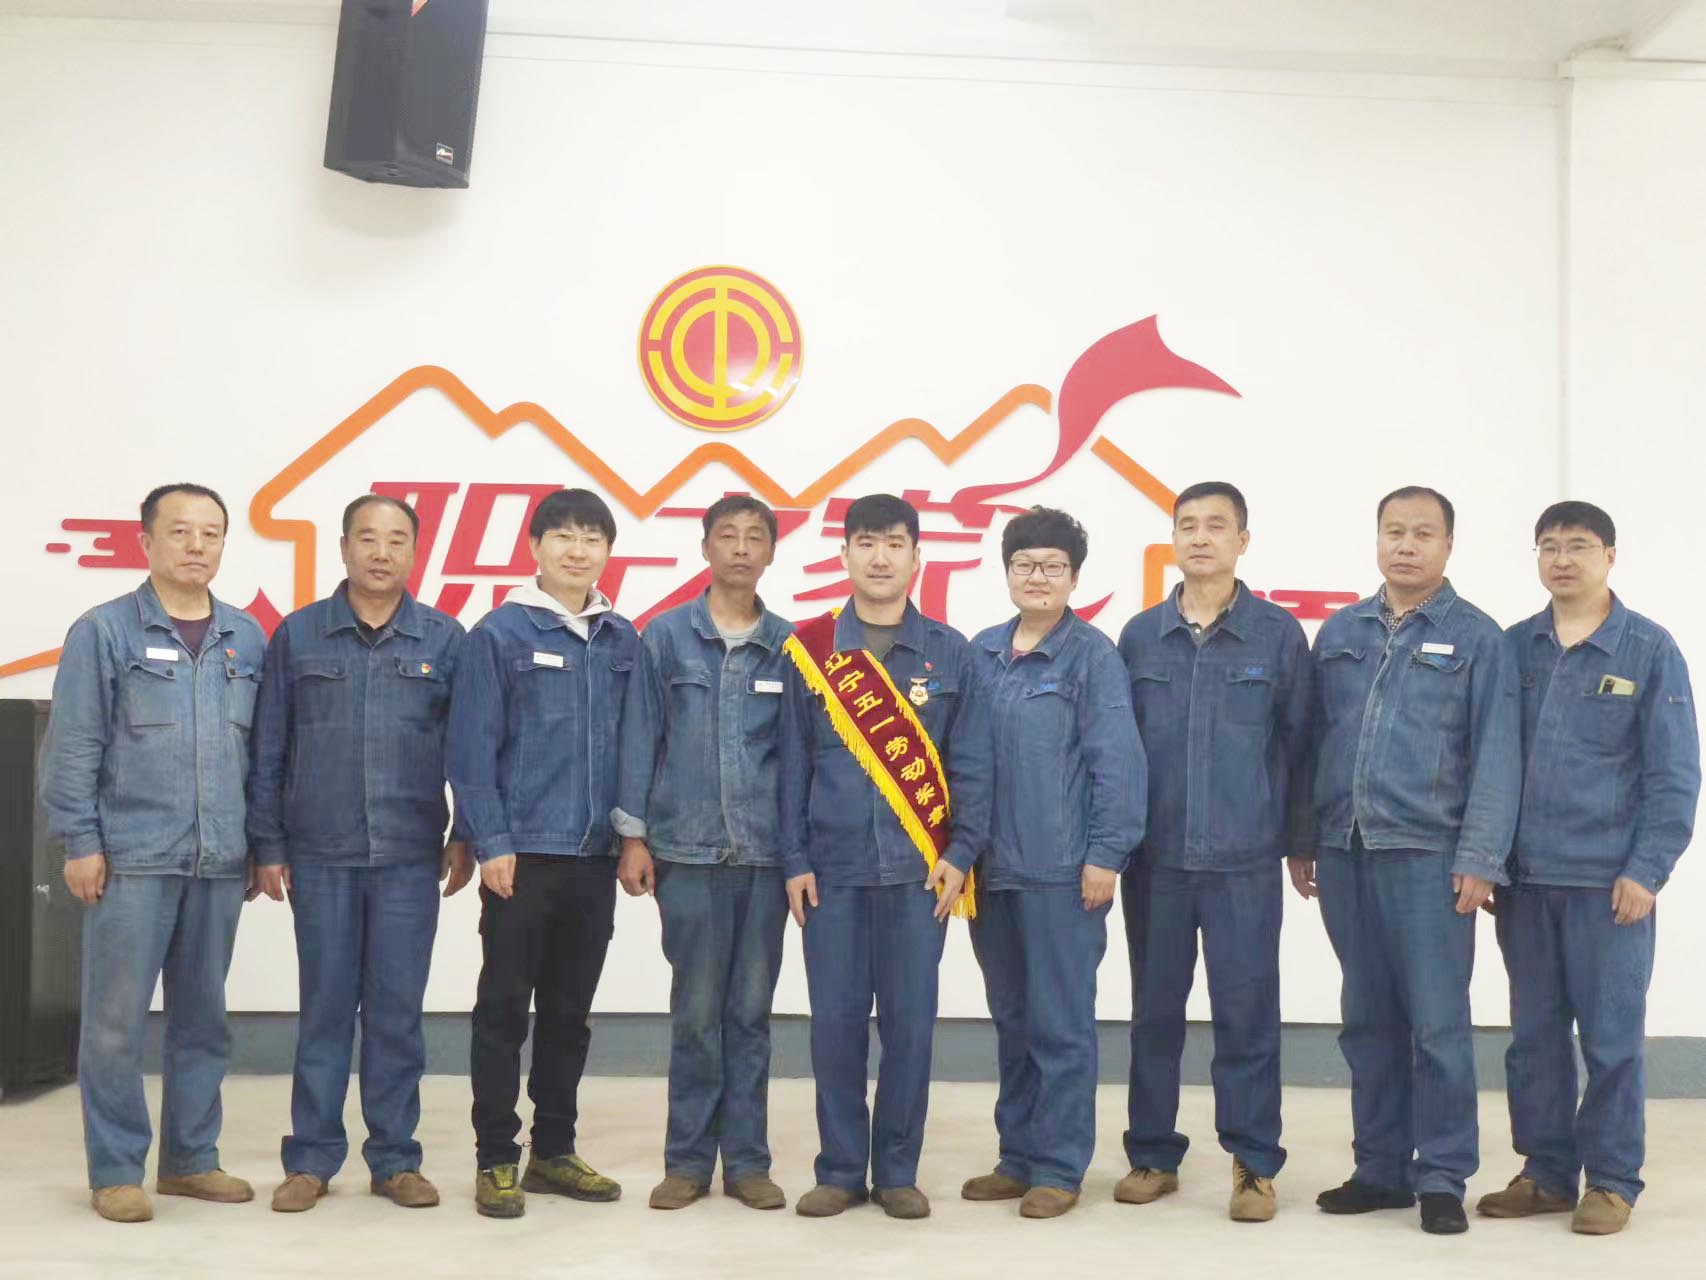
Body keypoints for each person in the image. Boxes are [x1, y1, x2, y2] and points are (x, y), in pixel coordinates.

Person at [1297, 485, 1521, 1235]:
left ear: (1448, 546)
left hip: (1430, 857)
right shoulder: (1341, 632)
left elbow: (1497, 755)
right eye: (1394, 531)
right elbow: (1314, 741)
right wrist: (1306, 838)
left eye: (1423, 533)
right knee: (1366, 1022)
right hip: (1347, 851)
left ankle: (1443, 1176)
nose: (1406, 545)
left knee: (1437, 1026)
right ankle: (1380, 1169)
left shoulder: (1478, 638)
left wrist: (1481, 855)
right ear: (1377, 539)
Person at [40, 483, 267, 1223]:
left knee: (204, 1021)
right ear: (146, 541)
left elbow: (261, 755)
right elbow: (74, 745)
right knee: (115, 1025)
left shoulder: (245, 638)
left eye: (211, 533)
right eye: (180, 531)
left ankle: (191, 1161)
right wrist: (80, 841)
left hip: (219, 861)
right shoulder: (103, 631)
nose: (197, 545)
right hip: (131, 859)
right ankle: (115, 1171)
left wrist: (258, 845)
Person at [1478, 501, 1698, 1236]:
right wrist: (1489, 859)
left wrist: (1647, 869)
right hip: (1527, 884)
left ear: (1610, 556)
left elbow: (1674, 774)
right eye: (1548, 546)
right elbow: (1490, 761)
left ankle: (1610, 1180)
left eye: (1578, 545)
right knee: (1534, 1039)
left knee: (1610, 1041)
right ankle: (1545, 1174)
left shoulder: (1648, 650)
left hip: (1610, 887)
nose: (1562, 559)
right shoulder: (1515, 647)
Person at [247, 494, 471, 1214]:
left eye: (397, 540)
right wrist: (268, 843)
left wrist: (466, 833)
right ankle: (310, 1160)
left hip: (409, 855)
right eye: (367, 538)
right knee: (324, 1010)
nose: (381, 552)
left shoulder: (444, 639)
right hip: (320, 854)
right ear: (343, 547)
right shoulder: (300, 635)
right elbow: (270, 746)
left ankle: (396, 1159)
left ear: (415, 552)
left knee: (397, 1014)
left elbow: (469, 749)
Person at [779, 493, 993, 1220]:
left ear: (916, 557)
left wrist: (962, 850)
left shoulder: (950, 652)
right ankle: (840, 1170)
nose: (879, 557)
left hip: (919, 876)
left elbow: (973, 763)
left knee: (909, 1028)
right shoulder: (810, 650)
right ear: (844, 554)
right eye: (866, 543)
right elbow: (792, 766)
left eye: (894, 544)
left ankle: (897, 1170)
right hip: (830, 874)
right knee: (835, 1028)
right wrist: (793, 858)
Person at [1115, 481, 1311, 1222]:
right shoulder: (1140, 636)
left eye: (1216, 526)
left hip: (1244, 861)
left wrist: (1299, 843)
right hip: (1156, 862)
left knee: (1247, 1016)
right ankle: (1152, 1154)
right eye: (1188, 525)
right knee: (1154, 1015)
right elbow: (1118, 752)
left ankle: (1254, 1163)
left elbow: (1300, 745)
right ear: (1172, 539)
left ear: (1242, 541)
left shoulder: (1277, 636)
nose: (1200, 537)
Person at [447, 488, 639, 1219]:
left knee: (569, 1014)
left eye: (592, 538)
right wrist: (491, 840)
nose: (578, 550)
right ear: (535, 546)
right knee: (503, 1010)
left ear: (607, 551)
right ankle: (496, 1157)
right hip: (521, 857)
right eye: (564, 536)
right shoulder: (499, 633)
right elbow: (472, 749)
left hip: (593, 858)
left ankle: (554, 1151)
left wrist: (631, 838)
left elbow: (634, 746)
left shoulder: (621, 639)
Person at [961, 507, 1145, 1219]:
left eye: (1053, 567)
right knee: (1012, 1020)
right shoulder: (979, 652)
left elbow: (1117, 764)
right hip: (990, 873)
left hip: (1063, 874)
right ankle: (1017, 1156)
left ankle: (1060, 1167)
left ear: (1073, 577)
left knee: (1061, 1025)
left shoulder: (1092, 657)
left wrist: (1106, 855)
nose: (1037, 577)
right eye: (1024, 564)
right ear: (1006, 571)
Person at [613, 495, 795, 1212]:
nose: (741, 548)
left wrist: (801, 855)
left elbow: (800, 759)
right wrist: (633, 836)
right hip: (684, 854)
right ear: (706, 547)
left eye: (755, 537)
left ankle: (748, 1163)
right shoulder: (665, 638)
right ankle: (687, 1163)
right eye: (728, 535)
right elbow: (639, 737)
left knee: (750, 1014)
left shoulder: (790, 645)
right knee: (694, 1015)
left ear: (772, 552)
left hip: (764, 859)